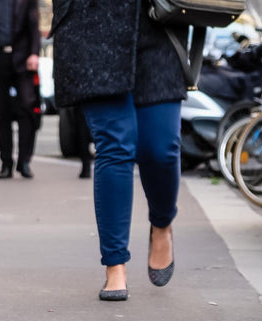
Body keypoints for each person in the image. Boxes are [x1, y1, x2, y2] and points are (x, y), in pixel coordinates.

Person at [52, 0, 186, 301]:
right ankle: (115, 265)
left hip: (157, 20)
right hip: (90, 25)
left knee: (161, 148)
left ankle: (162, 223)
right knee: (114, 145)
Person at [0, 0, 41, 179]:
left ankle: (25, 161)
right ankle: (6, 162)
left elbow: (34, 23)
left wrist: (34, 53)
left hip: (23, 57)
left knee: (27, 108)